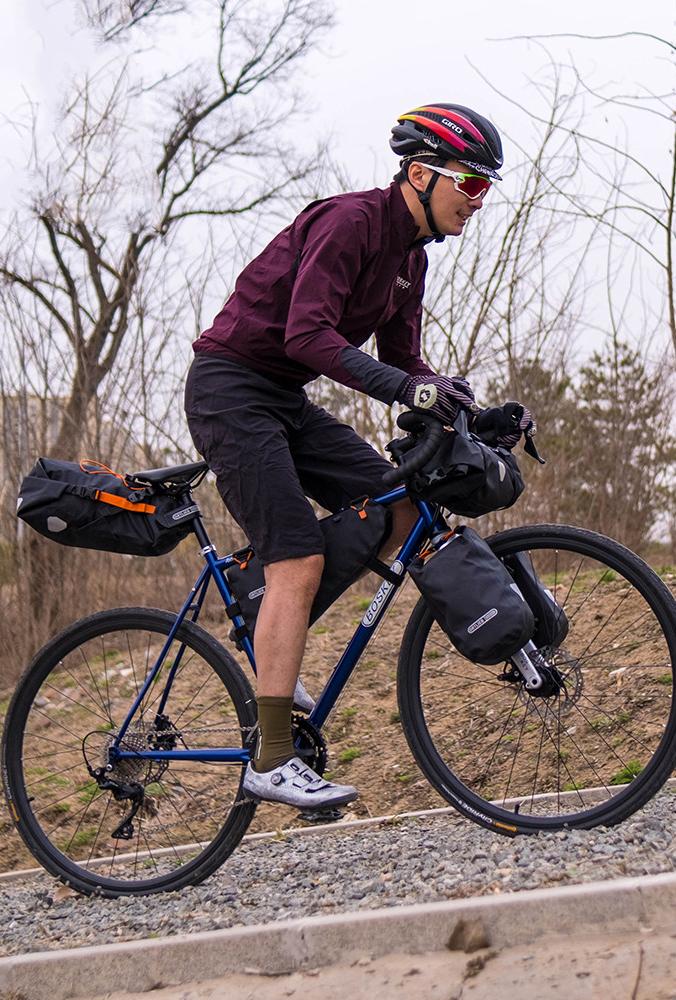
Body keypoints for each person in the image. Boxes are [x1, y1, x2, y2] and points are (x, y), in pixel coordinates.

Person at [184, 103, 504, 810]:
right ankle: (269, 758)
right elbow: (306, 336)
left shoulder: (409, 260)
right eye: (471, 185)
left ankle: (266, 621)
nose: (478, 202)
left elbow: (403, 361)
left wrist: (465, 410)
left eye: (487, 189)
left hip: (284, 400)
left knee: (401, 509)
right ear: (420, 174)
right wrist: (412, 389)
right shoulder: (352, 222)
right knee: (294, 552)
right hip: (231, 390)